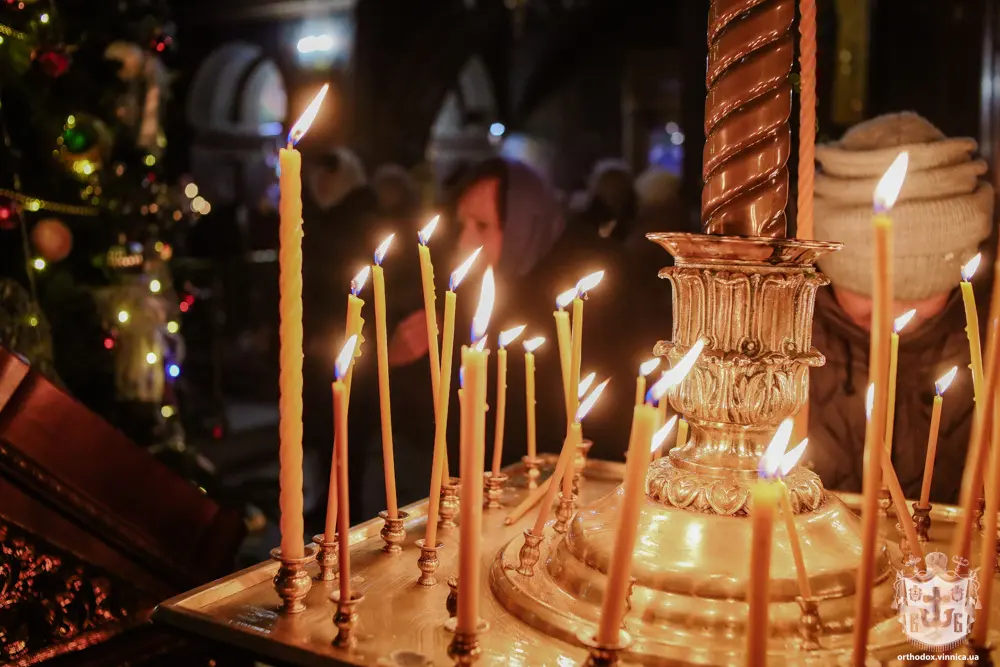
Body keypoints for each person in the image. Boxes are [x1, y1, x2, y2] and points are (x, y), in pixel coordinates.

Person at [385, 157, 668, 506]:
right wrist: (404, 364)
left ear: (525, 223)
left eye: (482, 225)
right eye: (462, 224)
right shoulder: (474, 291)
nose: (465, 241)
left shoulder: (595, 290)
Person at [807, 112, 994, 504]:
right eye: (866, 295)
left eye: (919, 297)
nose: (893, 315)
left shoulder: (987, 346)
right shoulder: (788, 346)